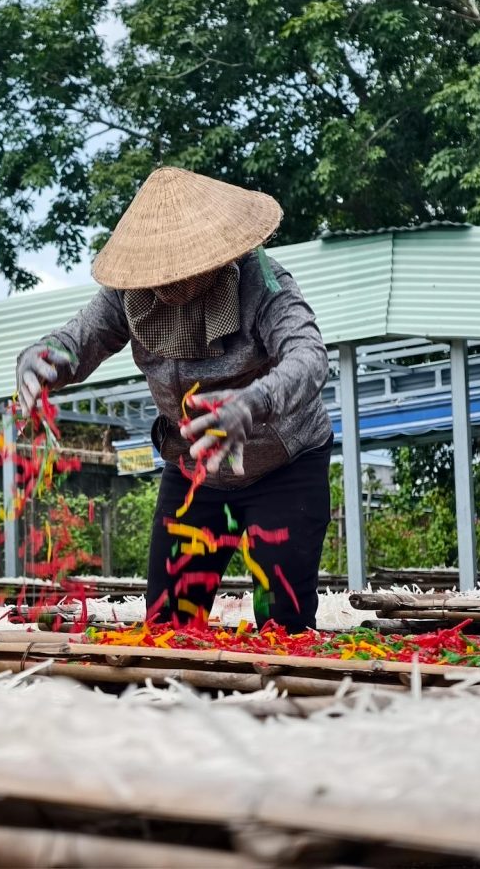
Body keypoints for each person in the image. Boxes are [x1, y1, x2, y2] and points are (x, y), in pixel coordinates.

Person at [17, 167, 331, 632]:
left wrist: (250, 403)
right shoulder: (128, 293)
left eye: (179, 269)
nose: (165, 282)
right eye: (156, 271)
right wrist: (40, 358)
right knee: (168, 623)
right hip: (192, 471)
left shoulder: (264, 282)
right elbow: (76, 341)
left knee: (282, 622)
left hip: (284, 463)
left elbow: (309, 356)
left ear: (217, 256)